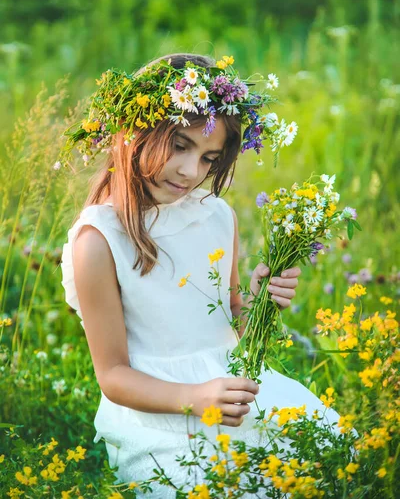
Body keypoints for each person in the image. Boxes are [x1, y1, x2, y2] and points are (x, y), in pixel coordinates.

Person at [59, 53, 340, 497]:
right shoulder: (99, 239)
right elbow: (112, 374)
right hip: (159, 414)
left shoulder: (216, 215)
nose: (192, 173)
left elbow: (231, 324)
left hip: (232, 392)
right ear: (137, 131)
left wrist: (262, 302)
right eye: (180, 146)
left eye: (209, 157)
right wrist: (196, 398)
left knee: (335, 463)